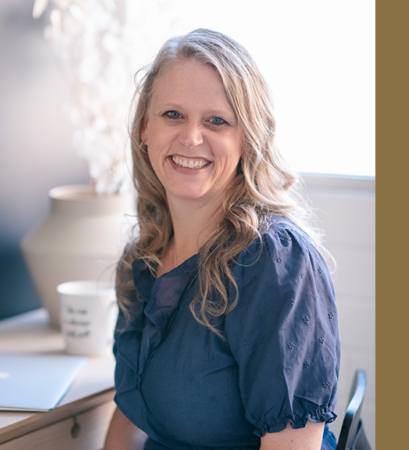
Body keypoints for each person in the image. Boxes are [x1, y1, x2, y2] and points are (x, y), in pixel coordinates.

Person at [104, 28, 340, 450]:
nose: (191, 138)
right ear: (144, 128)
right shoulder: (142, 259)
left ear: (248, 140)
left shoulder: (276, 263)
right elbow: (129, 417)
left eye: (217, 121)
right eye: (172, 114)